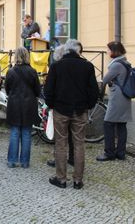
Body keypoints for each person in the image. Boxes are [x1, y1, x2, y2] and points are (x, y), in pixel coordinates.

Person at [44, 39, 99, 189]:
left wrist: (51, 105)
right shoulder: (87, 66)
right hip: (80, 110)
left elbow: (48, 89)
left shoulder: (57, 66)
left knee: (61, 143)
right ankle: (77, 180)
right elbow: (94, 91)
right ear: (77, 51)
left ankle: (61, 179)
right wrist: (88, 105)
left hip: (61, 110)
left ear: (67, 50)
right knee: (79, 144)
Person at [5, 47, 41, 168]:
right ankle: (25, 162)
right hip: (29, 104)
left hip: (14, 104)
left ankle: (12, 160)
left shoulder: (10, 71)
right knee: (26, 133)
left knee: (14, 132)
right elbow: (37, 91)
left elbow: (7, 89)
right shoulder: (32, 71)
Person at [96, 41, 132, 162]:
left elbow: (105, 79)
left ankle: (109, 153)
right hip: (125, 97)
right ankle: (121, 153)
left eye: (108, 50)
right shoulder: (125, 62)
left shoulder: (116, 65)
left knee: (108, 124)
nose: (107, 52)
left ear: (114, 51)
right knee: (121, 125)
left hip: (118, 98)